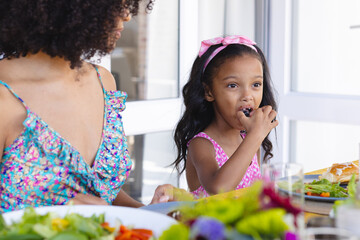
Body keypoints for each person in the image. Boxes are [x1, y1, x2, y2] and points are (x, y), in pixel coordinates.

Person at [0, 0, 176, 213]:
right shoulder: (5, 97)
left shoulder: (103, 80)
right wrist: (57, 215)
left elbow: (100, 192)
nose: (127, 16)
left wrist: (151, 213)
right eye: (114, 4)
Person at [173, 35, 279, 198]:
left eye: (256, 85)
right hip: (210, 224)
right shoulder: (201, 144)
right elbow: (219, 188)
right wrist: (255, 136)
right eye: (233, 85)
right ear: (209, 92)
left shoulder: (248, 140)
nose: (247, 96)